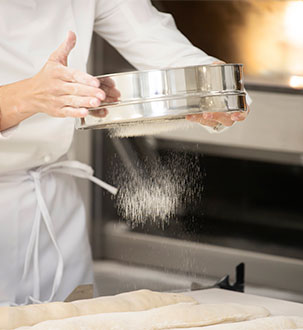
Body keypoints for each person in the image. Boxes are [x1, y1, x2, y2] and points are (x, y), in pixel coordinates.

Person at [0, 0, 248, 306]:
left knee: (78, 323)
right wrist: (23, 98)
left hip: (53, 209)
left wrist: (210, 86)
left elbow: (151, 37)